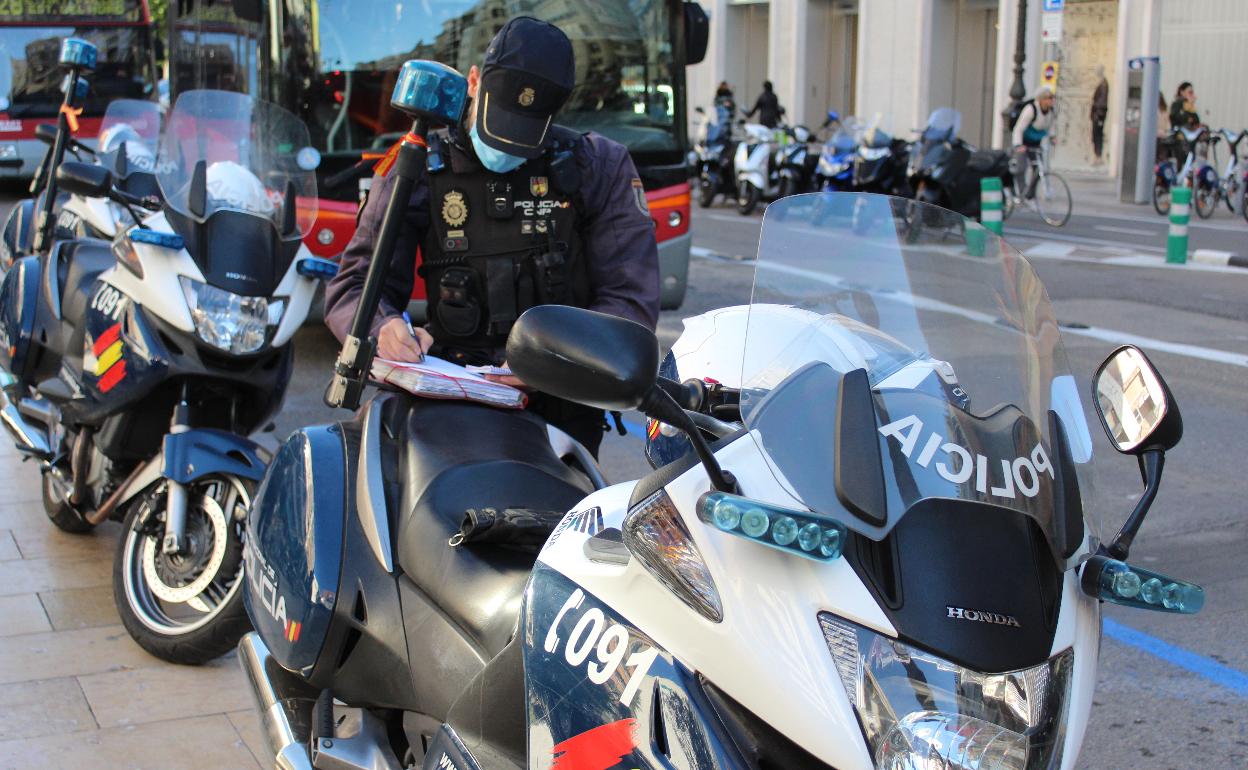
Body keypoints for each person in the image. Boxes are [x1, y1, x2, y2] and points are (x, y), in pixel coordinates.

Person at [324, 17, 659, 456]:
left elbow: (629, 305)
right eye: (499, 121)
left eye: (523, 133)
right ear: (473, 82)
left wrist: (552, 363)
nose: (506, 147)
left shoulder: (598, 166)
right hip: (446, 401)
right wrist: (382, 327)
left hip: (560, 410)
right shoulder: (417, 164)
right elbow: (355, 285)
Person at [1010, 86, 1058, 196]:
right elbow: (1019, 129)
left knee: (1038, 169)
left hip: (1035, 143)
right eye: (1049, 98)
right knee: (1020, 168)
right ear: (1041, 99)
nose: (1052, 100)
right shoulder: (1031, 109)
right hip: (1023, 142)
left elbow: (1051, 126)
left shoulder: (1051, 111)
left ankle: (1030, 194)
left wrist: (1052, 137)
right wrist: (1018, 145)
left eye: (1053, 97)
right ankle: (1019, 192)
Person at [1090, 67, 1108, 164]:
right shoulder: (1102, 84)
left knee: (1097, 135)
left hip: (1099, 115)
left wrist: (1099, 113)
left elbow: (1102, 102)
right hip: (1098, 114)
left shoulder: (1103, 84)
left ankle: (1098, 156)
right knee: (1096, 135)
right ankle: (1097, 155)